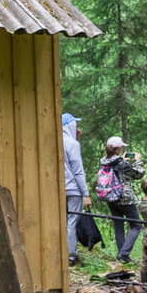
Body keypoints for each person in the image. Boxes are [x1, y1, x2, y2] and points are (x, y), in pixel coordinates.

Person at [96, 136, 144, 263]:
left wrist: (121, 159)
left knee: (119, 225)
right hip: (125, 198)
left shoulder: (104, 161)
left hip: (111, 196)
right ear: (118, 149)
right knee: (136, 225)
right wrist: (138, 161)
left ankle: (121, 254)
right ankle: (124, 254)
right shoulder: (122, 163)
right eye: (121, 146)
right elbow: (139, 174)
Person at [62, 113, 88, 266]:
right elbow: (78, 171)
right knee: (71, 222)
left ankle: (62, 253)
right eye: (75, 125)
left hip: (60, 189)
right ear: (69, 126)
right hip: (74, 189)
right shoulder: (73, 144)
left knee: (61, 221)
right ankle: (70, 256)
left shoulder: (57, 142)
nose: (78, 128)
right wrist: (86, 194)